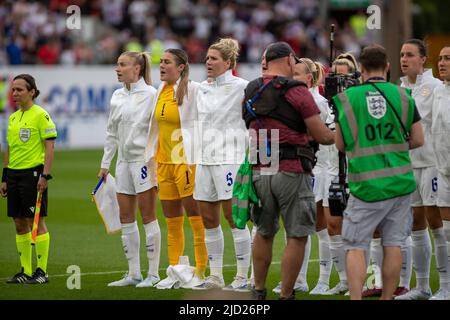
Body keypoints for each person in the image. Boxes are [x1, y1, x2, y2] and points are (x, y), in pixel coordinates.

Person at [333, 44, 424, 300]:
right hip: (399, 183)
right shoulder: (404, 96)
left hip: (366, 187)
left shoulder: (346, 99)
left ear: (361, 69)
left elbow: (340, 144)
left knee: (355, 246)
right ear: (387, 67)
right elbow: (418, 139)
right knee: (393, 244)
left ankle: (355, 298)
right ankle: (387, 297)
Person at [246, 42, 334, 300]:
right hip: (292, 167)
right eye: (294, 61)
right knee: (296, 234)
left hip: (261, 167)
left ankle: (258, 290)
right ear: (287, 60)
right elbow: (320, 134)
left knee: (263, 232)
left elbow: (253, 126)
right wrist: (336, 135)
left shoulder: (251, 88)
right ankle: (286, 294)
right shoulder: (297, 90)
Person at [192, 38, 252, 291]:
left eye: (214, 58)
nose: (208, 62)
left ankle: (241, 276)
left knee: (234, 217)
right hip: (204, 159)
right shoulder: (201, 88)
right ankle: (215, 275)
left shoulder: (243, 87)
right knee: (208, 218)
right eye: (207, 58)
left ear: (228, 63)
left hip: (230, 160)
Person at [145, 48, 207, 288]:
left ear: (181, 67)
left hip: (186, 163)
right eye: (160, 62)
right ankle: (174, 270)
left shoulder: (194, 89)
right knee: (172, 221)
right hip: (163, 163)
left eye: (167, 62)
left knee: (196, 219)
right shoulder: (159, 91)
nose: (161, 66)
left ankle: (201, 270)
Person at [99, 52, 160, 287]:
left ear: (137, 69)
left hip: (144, 163)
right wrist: (105, 165)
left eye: (122, 65)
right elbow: (111, 132)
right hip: (122, 163)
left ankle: (153, 274)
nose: (117, 69)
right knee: (126, 217)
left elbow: (159, 132)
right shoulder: (117, 96)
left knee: (147, 216)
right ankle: (133, 273)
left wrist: (154, 159)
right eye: (117, 64)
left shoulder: (152, 95)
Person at [395, 39, 449, 300]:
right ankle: (422, 286)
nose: (404, 59)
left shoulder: (436, 87)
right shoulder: (400, 88)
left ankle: (446, 286)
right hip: (409, 166)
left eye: (410, 55)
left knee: (436, 223)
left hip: (432, 165)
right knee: (415, 224)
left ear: (423, 59)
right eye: (402, 55)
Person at [1, 74, 57, 284]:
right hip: (14, 175)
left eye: (19, 89)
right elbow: (9, 149)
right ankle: (25, 271)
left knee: (37, 222)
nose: (15, 93)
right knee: (18, 222)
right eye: (13, 89)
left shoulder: (40, 115)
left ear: (32, 91)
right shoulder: (13, 118)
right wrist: (4, 177)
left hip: (33, 174)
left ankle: (41, 272)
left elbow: (50, 146)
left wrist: (45, 174)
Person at [430, 45, 450, 300]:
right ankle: (446, 287)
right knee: (446, 231)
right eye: (441, 59)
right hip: (443, 171)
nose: (442, 63)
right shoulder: (438, 92)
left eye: (448, 59)